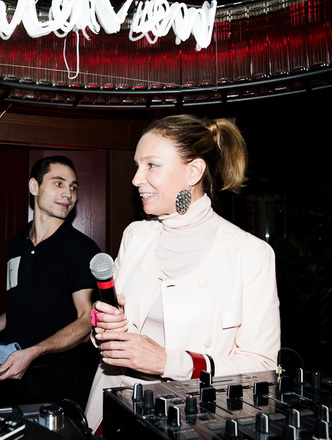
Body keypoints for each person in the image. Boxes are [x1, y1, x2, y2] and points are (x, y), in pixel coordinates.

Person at [85, 115, 281, 430]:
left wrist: (169, 362)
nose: (136, 179)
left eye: (151, 165)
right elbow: (105, 335)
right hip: (111, 408)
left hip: (194, 419)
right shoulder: (135, 236)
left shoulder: (249, 254)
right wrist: (103, 325)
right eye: (137, 166)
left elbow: (262, 368)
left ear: (193, 171)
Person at [0, 155, 101, 409]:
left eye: (73, 187)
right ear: (34, 186)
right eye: (58, 183)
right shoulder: (15, 244)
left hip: (58, 382)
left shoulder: (82, 249)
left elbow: (86, 319)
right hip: (9, 375)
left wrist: (35, 351)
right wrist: (0, 321)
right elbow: (32, 294)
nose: (68, 194)